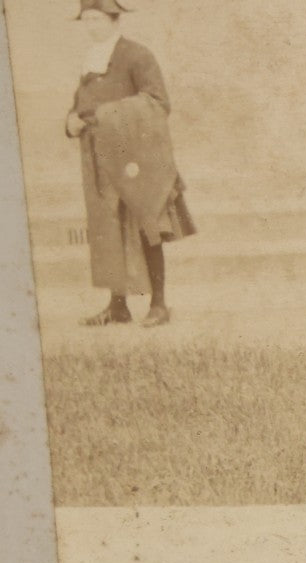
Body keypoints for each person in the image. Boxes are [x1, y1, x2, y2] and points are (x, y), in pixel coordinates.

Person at [67, 0, 196, 328]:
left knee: (147, 227)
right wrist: (70, 121)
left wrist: (104, 117)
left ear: (113, 20)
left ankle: (159, 304)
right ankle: (118, 306)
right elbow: (80, 106)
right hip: (100, 160)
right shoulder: (90, 58)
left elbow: (157, 102)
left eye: (97, 19)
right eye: (86, 19)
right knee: (108, 228)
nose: (91, 26)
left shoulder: (136, 55)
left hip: (136, 161)